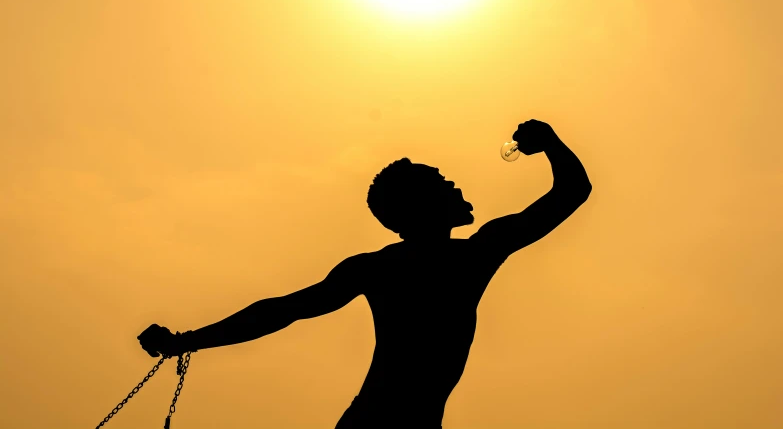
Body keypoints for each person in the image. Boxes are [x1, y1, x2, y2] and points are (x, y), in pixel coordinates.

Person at [138, 119, 592, 428]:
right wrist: (549, 142)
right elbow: (573, 191)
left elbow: (283, 310)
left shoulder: (380, 268)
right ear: (420, 206)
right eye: (441, 182)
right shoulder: (472, 256)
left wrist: (187, 341)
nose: (454, 184)